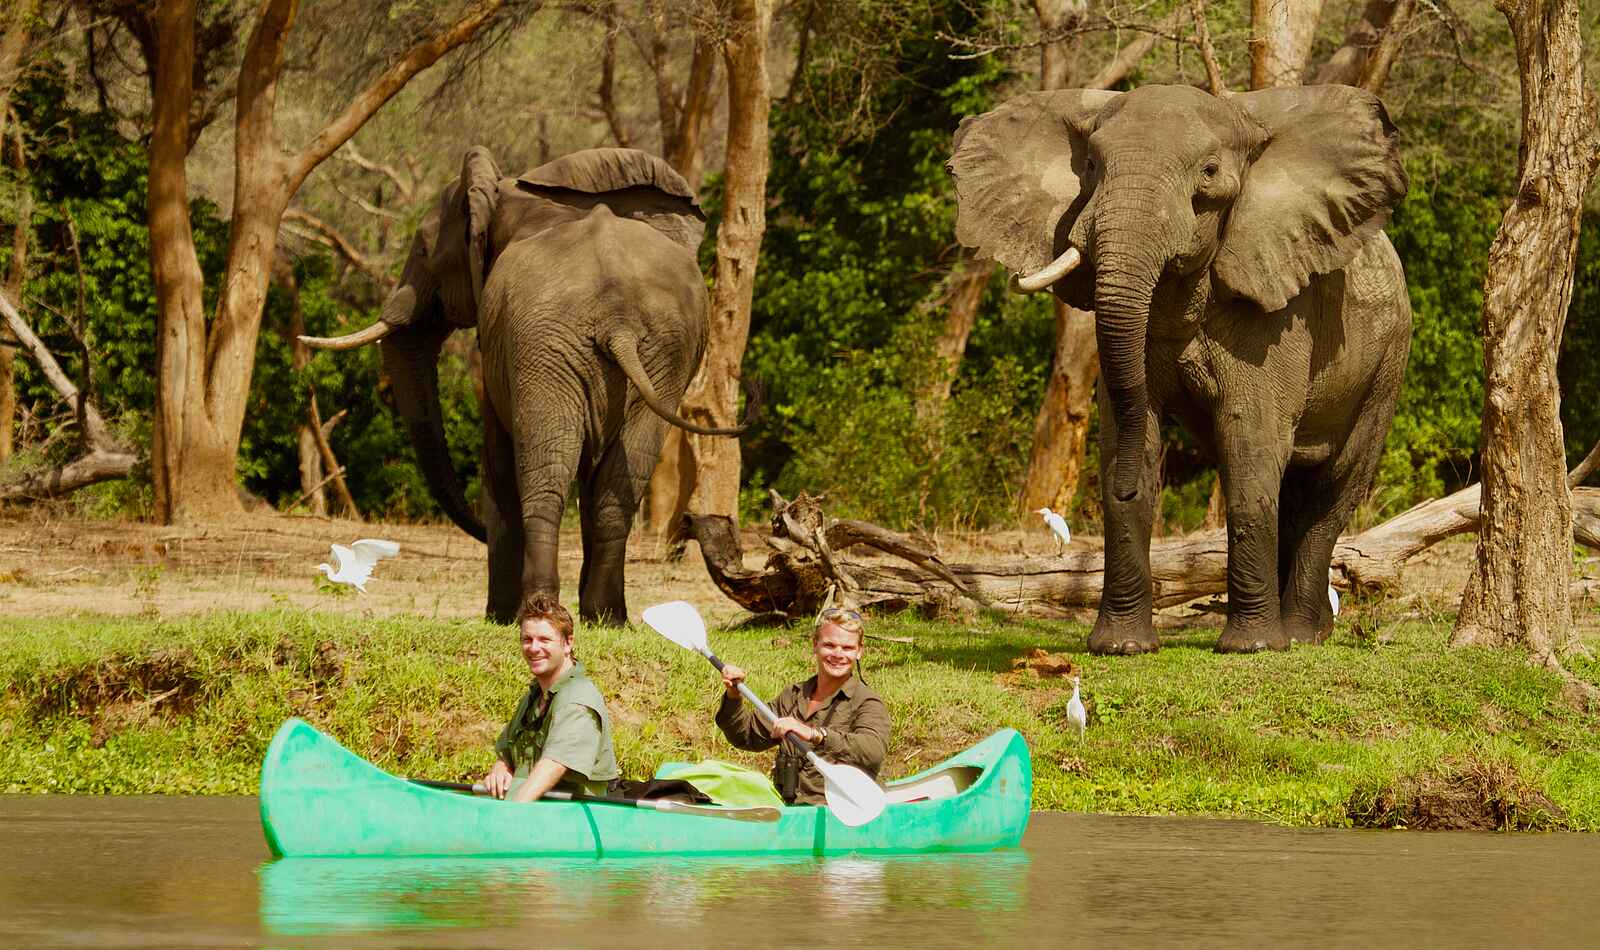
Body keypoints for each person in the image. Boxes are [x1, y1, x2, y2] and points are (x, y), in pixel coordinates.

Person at [715, 607, 890, 805]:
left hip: (838, 811)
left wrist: (815, 735)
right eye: (830, 645)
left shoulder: (867, 702)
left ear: (859, 651)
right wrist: (734, 694)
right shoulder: (793, 696)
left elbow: (873, 752)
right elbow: (746, 736)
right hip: (790, 810)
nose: (838, 654)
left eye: (848, 648)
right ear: (815, 645)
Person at [482, 593, 619, 803]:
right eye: (527, 639)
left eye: (544, 639)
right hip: (531, 812)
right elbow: (507, 754)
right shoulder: (533, 696)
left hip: (567, 817)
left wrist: (509, 813)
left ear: (567, 643)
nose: (533, 648)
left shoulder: (578, 699)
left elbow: (554, 765)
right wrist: (500, 768)